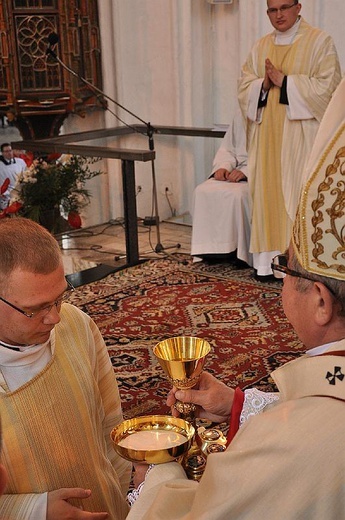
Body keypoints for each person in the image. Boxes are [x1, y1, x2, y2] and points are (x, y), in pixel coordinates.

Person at [126, 77, 345, 519]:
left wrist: (158, 475)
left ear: (321, 300)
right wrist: (236, 403)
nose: (280, 281)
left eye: (285, 268)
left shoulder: (291, 446)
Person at [0, 218, 131, 519]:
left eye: (59, 298)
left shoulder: (77, 325)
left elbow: (110, 429)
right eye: (36, 309)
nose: (54, 319)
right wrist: (34, 510)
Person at [237, 0, 341, 280]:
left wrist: (287, 82)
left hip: (302, 141)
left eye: (284, 7)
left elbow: (329, 89)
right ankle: (266, 264)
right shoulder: (260, 47)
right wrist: (263, 84)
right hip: (267, 141)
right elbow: (244, 87)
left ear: (298, 7)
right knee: (267, 198)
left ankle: (298, 266)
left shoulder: (320, 42)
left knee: (297, 197)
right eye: (272, 10)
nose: (279, 15)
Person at [191, 110, 253, 267]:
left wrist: (246, 172)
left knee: (237, 195)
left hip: (257, 175)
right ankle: (209, 251)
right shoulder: (240, 115)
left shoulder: (274, 114)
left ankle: (237, 252)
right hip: (234, 170)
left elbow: (274, 156)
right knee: (202, 190)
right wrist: (223, 167)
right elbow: (228, 149)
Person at [0, 143, 27, 210]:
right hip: (7, 196)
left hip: (22, 193)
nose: (9, 153)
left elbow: (27, 175)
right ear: (2, 153)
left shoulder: (20, 161)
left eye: (10, 150)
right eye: (6, 151)